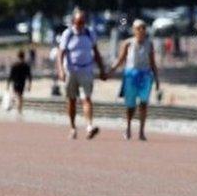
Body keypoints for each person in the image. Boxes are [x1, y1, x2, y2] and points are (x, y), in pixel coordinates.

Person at [57, 9, 108, 139]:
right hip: (71, 70)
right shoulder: (68, 34)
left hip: (86, 70)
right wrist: (61, 70)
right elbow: (60, 53)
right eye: (79, 22)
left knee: (87, 98)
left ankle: (89, 126)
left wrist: (102, 69)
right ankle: (73, 127)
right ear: (73, 22)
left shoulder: (89, 33)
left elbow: (96, 52)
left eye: (83, 22)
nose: (81, 25)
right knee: (72, 100)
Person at [109, 19, 160, 141]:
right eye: (138, 28)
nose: (141, 31)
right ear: (134, 30)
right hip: (131, 75)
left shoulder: (149, 44)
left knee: (143, 103)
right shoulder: (128, 43)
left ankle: (141, 131)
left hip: (145, 75)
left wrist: (157, 79)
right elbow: (120, 60)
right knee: (130, 105)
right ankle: (128, 127)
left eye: (143, 28)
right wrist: (110, 71)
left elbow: (153, 63)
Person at [7, 50, 32, 115]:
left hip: (15, 82)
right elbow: (29, 76)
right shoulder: (26, 65)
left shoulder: (14, 65)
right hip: (22, 83)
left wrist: (8, 84)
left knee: (17, 95)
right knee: (20, 96)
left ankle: (15, 107)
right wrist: (29, 85)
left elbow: (10, 76)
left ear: (18, 56)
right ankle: (19, 110)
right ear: (24, 56)